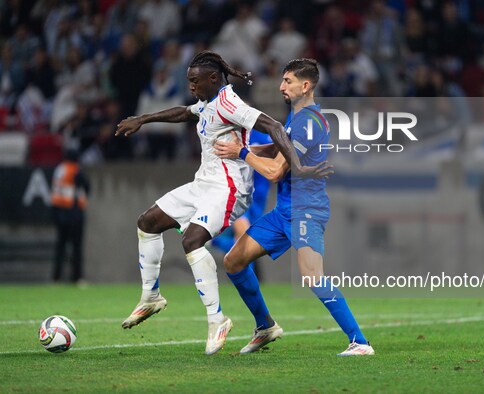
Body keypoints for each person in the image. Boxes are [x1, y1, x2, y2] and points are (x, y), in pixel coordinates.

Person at [114, 50, 324, 355]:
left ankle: (217, 320)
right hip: (204, 184)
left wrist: (297, 164)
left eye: (194, 81)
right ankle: (151, 297)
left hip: (229, 188)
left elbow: (274, 127)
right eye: (189, 81)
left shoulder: (230, 103)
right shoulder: (207, 101)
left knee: (192, 241)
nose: (190, 86)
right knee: (147, 222)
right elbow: (184, 112)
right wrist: (144, 119)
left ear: (213, 79)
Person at [215, 58, 374, 356]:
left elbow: (276, 171)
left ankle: (360, 342)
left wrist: (242, 151)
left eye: (287, 81)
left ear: (306, 85)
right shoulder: (295, 118)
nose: (281, 87)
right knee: (233, 260)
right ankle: (265, 326)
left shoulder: (309, 122)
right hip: (283, 212)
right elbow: (277, 148)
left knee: (313, 276)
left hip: (306, 209)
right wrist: (236, 152)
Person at [211, 129, 273, 280]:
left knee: (248, 240)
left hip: (259, 197)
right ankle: (247, 281)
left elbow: (274, 161)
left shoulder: (264, 136)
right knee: (243, 234)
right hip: (239, 193)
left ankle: (216, 242)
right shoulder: (229, 135)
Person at [50, 149, 90, 283]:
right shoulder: (75, 170)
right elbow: (86, 187)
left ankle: (56, 277)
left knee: (60, 247)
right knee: (76, 247)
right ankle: (77, 277)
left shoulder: (59, 170)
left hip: (59, 213)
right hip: (73, 213)